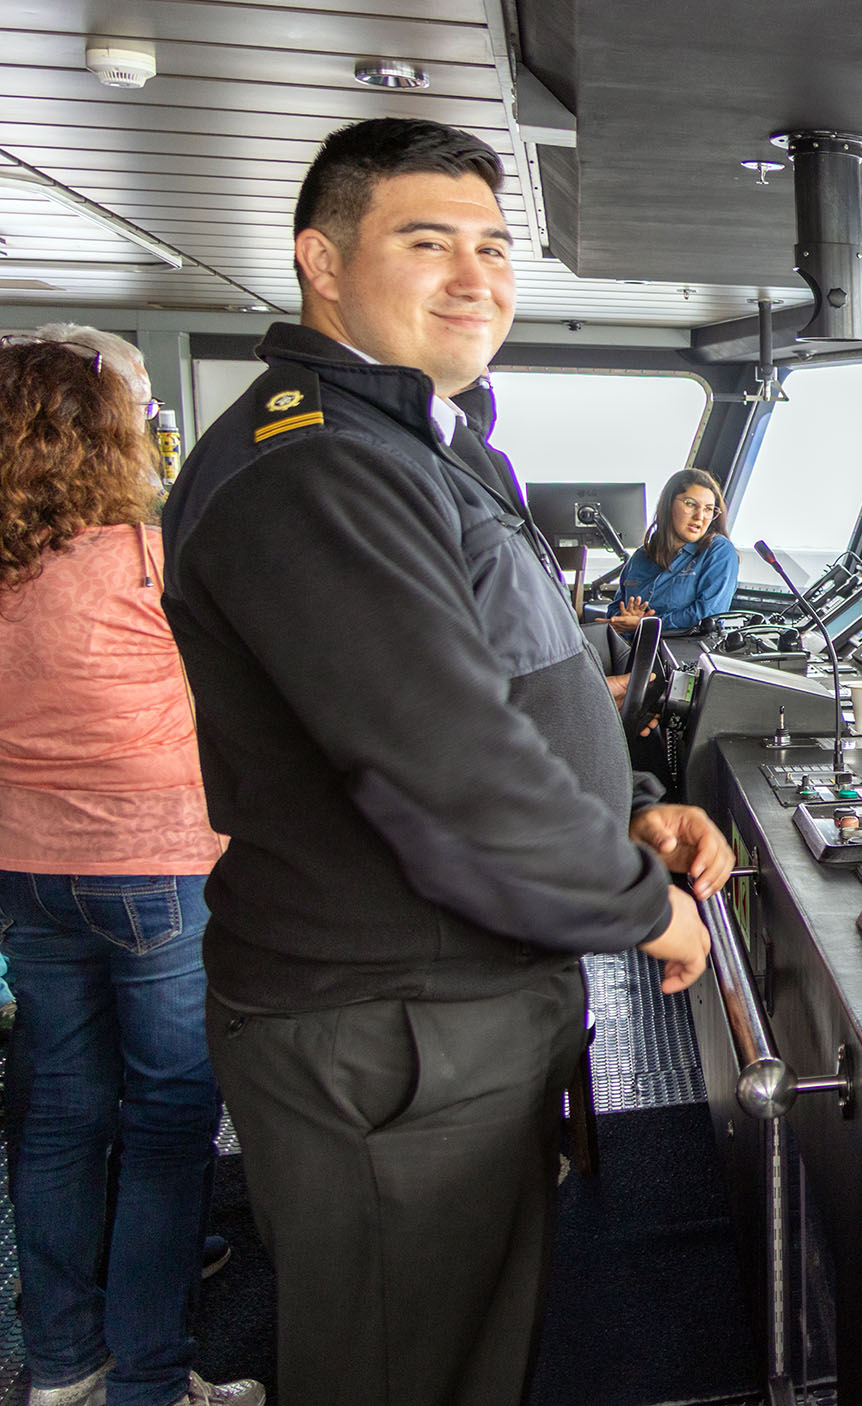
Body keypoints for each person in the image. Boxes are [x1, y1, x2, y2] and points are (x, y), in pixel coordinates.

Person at [158, 117, 722, 1406]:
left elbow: (524, 684)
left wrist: (630, 813)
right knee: (401, 1366)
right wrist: (645, 912)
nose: (477, 276)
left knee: (469, 1343)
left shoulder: (428, 446)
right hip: (385, 1017)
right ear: (321, 259)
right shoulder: (315, 468)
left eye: (493, 244)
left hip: (446, 1002)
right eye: (428, 241)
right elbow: (444, 765)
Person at [0, 327, 263, 1406]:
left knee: (58, 1111)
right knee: (164, 1124)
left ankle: (62, 1365)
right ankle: (149, 1378)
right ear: (114, 434)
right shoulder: (154, 555)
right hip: (157, 868)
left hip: (25, 866)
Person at [607, 467, 738, 634]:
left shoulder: (719, 551)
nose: (700, 516)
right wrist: (625, 618)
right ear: (668, 505)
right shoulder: (642, 555)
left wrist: (645, 624)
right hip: (629, 649)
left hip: (683, 653)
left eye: (708, 509)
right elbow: (615, 609)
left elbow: (708, 614)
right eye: (690, 504)